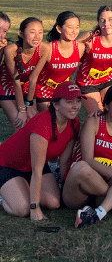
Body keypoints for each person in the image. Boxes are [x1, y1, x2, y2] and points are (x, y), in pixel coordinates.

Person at [0, 81, 81, 220]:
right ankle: (3, 195)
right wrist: (35, 207)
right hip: (7, 164)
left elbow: (65, 161)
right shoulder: (43, 125)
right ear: (55, 105)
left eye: (78, 101)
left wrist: (65, 189)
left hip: (31, 167)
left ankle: (21, 186)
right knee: (23, 208)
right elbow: (37, 170)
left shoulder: (74, 122)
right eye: (69, 101)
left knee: (54, 202)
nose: (75, 106)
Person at [62, 85, 112, 228]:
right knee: (82, 167)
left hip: (101, 189)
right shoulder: (94, 122)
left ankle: (99, 213)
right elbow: (88, 159)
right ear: (106, 106)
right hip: (79, 189)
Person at [27, 11, 85, 112]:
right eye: (70, 27)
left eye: (77, 27)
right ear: (59, 29)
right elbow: (33, 77)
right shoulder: (49, 49)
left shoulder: (80, 48)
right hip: (43, 93)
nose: (74, 31)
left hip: (63, 94)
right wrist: (30, 104)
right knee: (51, 122)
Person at [76, 5, 112, 114]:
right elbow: (71, 53)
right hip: (88, 81)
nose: (106, 24)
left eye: (111, 20)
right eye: (102, 20)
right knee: (98, 115)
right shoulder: (91, 37)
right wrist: (84, 51)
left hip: (109, 79)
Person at [0, 17, 46, 130]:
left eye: (40, 32)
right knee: (20, 125)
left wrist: (29, 107)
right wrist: (22, 109)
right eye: (32, 32)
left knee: (33, 122)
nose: (37, 36)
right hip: (8, 86)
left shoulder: (44, 49)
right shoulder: (10, 50)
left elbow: (33, 79)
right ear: (21, 34)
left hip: (26, 86)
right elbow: (15, 81)